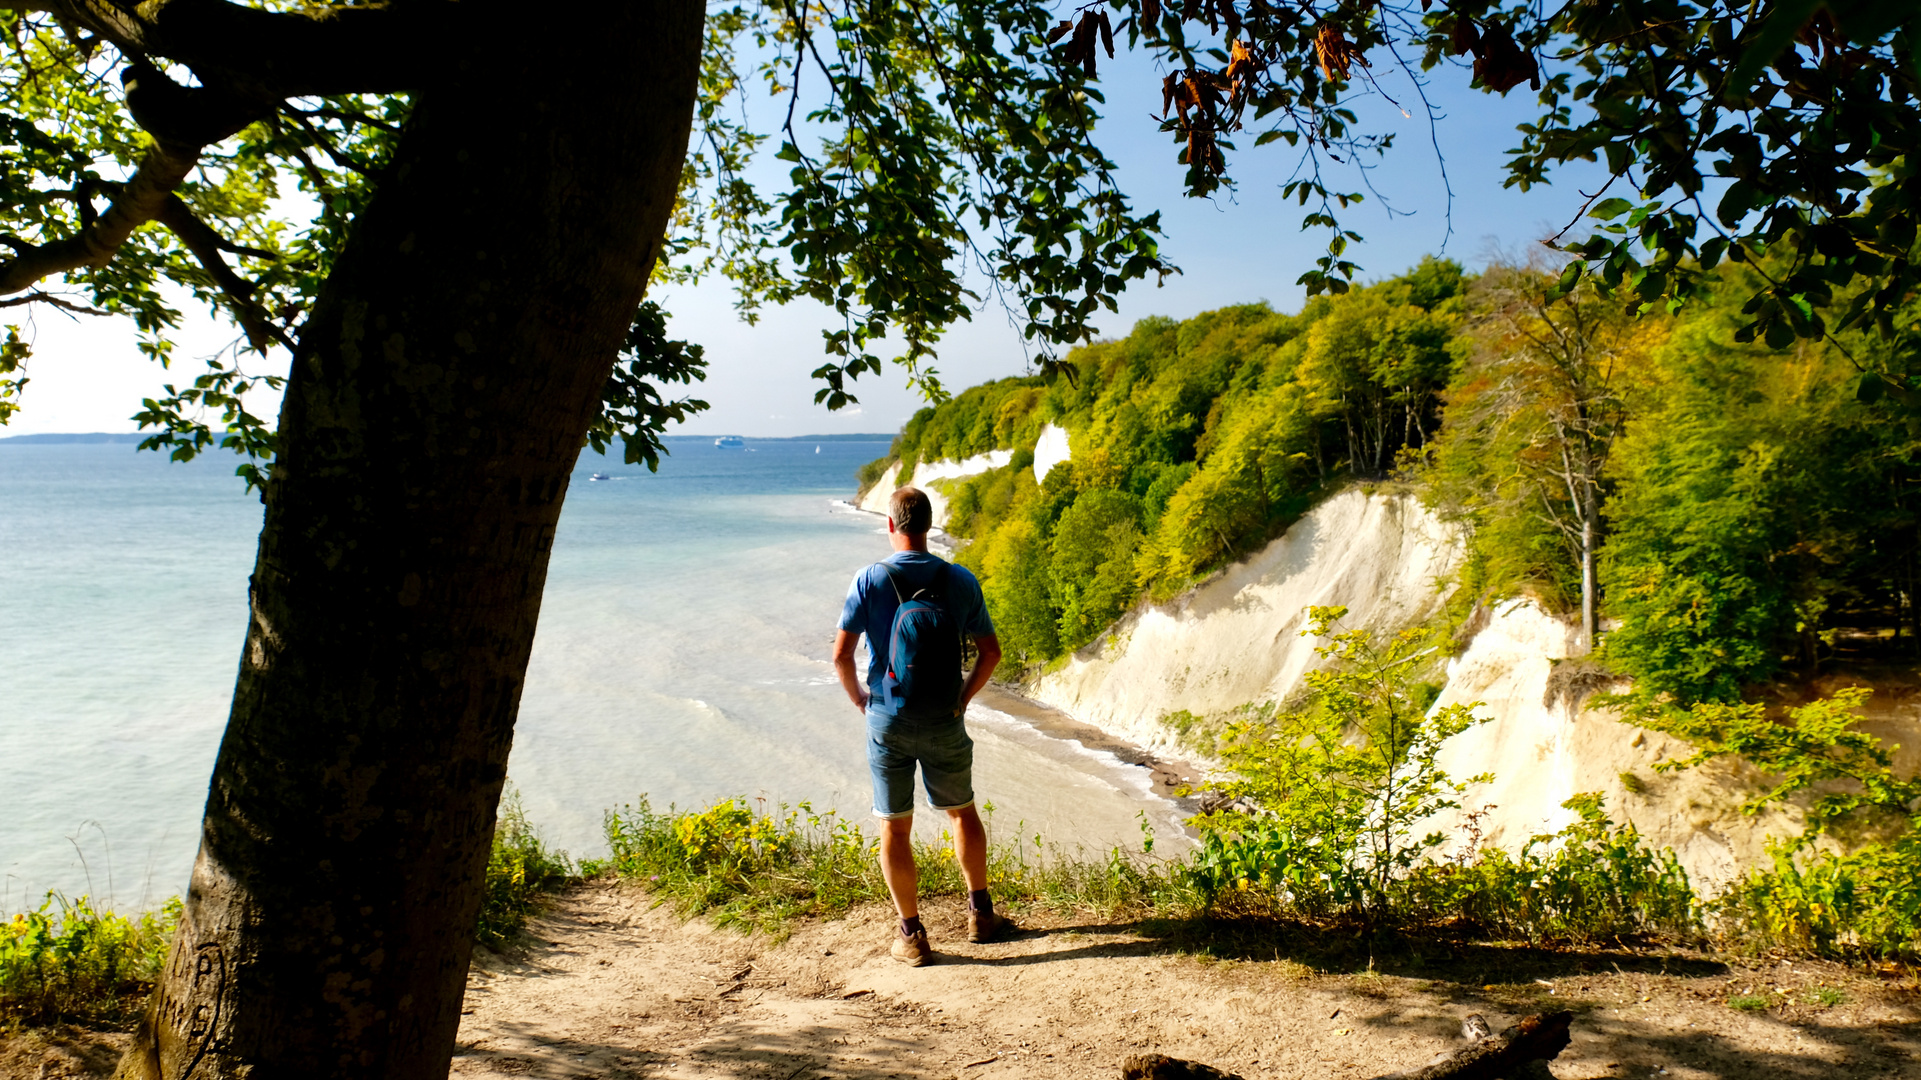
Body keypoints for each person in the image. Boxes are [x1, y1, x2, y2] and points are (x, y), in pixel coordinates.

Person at [832, 487, 1010, 965]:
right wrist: (963, 698)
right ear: (928, 525)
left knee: (895, 827)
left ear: (891, 525)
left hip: (887, 717)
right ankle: (981, 915)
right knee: (962, 812)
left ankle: (911, 937)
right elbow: (991, 652)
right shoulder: (960, 580)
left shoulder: (869, 580)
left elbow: (841, 655)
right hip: (944, 716)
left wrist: (861, 701)